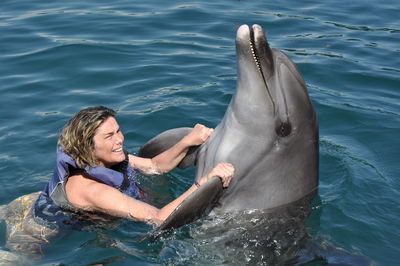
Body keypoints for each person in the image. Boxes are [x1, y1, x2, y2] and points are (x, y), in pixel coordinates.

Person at [33, 106, 235, 229]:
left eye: (118, 131)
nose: (120, 139)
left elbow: (155, 166)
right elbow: (158, 218)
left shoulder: (107, 159)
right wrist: (204, 182)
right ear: (88, 146)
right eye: (109, 136)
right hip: (41, 232)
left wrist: (188, 141)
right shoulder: (93, 190)